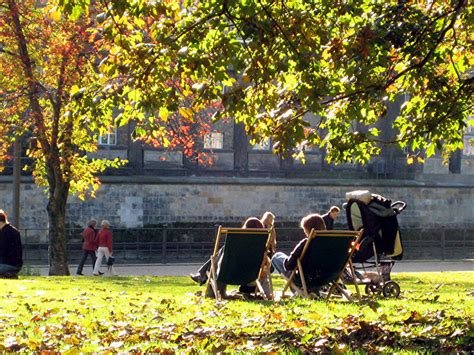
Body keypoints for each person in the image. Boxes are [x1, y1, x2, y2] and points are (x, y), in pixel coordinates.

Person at [190, 215, 271, 286]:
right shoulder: (260, 245)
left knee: (222, 251)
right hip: (251, 277)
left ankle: (201, 275)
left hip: (230, 275)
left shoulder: (235, 245)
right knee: (223, 251)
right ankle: (201, 274)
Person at [271, 213, 326, 279]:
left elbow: (289, 265)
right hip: (324, 277)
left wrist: (286, 260)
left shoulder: (306, 243)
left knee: (276, 257)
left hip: (305, 278)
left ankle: (297, 287)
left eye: (305, 230)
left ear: (308, 231)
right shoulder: (330, 243)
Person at [0, 210, 23, 278]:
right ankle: (7, 275)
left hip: (9, 263)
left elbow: (3, 251)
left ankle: (7, 274)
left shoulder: (6, 233)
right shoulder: (9, 230)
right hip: (14, 263)